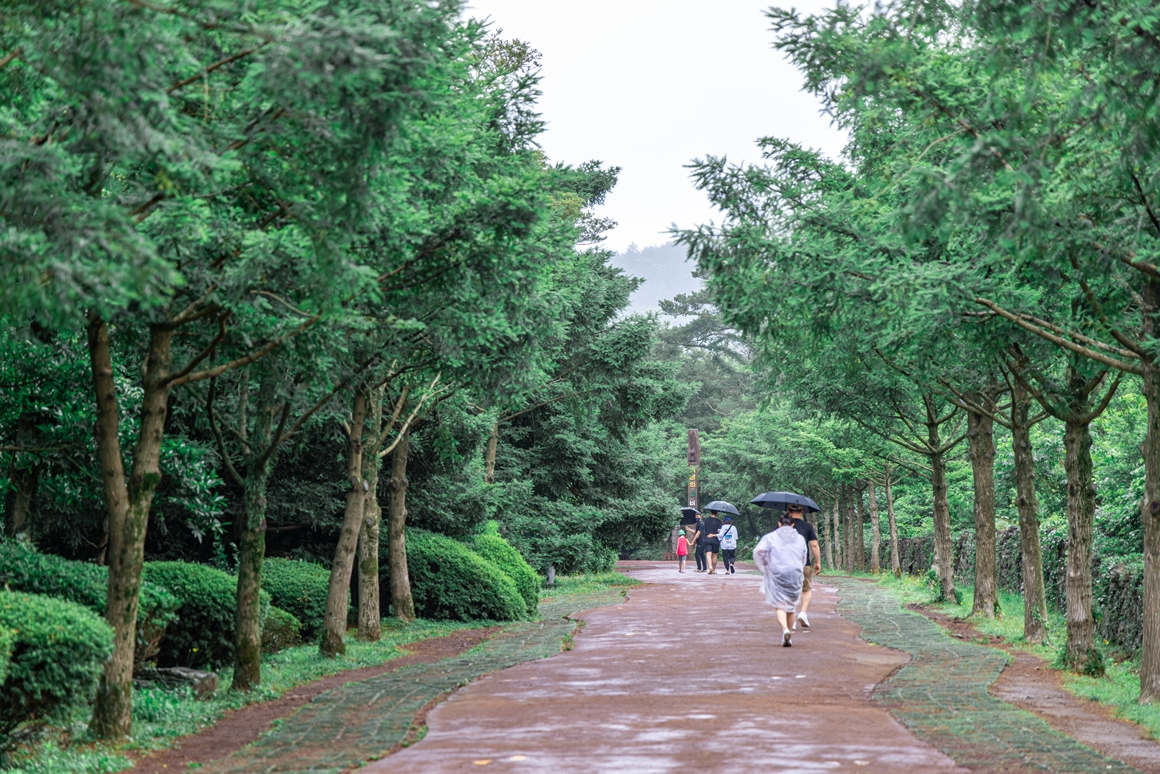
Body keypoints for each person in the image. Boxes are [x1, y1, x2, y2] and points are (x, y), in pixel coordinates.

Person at [754, 512, 807, 646]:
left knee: (779, 605)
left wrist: (765, 563)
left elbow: (758, 551)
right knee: (792, 606)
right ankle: (789, 632)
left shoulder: (771, 537)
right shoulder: (800, 538)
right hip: (795, 573)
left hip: (777, 573)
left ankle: (784, 630)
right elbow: (804, 556)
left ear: (779, 524)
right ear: (793, 524)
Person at [788, 503, 822, 630]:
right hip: (803, 563)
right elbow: (814, 545)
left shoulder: (782, 525)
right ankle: (802, 613)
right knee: (806, 589)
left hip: (785, 564)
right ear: (802, 511)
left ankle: (790, 616)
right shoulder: (807, 526)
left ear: (788, 510)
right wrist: (818, 562)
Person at [701, 509, 723, 574]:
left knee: (708, 554)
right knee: (714, 555)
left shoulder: (706, 520)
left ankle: (710, 567)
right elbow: (719, 532)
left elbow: (705, 528)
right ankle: (713, 569)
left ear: (710, 512)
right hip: (715, 539)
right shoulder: (719, 522)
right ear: (717, 513)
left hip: (707, 538)